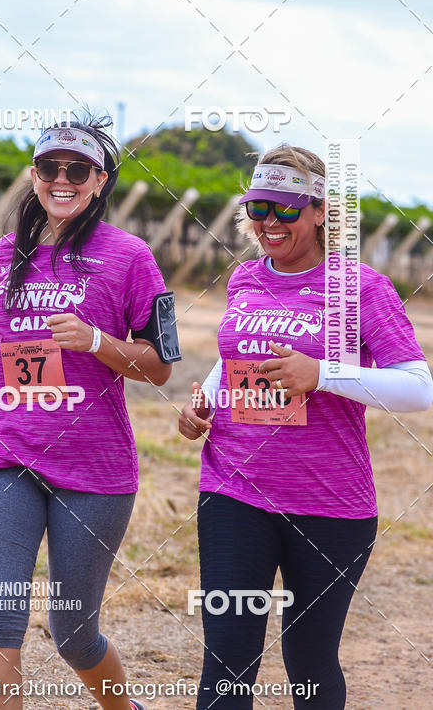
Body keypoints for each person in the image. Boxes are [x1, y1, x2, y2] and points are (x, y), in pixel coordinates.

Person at [179, 144, 433, 709]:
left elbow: (418, 387)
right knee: (226, 655)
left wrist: (322, 374)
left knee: (310, 660)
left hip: (330, 503)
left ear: (320, 211)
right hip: (233, 489)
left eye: (286, 210)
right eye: (259, 208)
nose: (269, 222)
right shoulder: (245, 278)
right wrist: (206, 399)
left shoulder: (361, 288)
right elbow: (236, 356)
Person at [0, 113, 178, 710]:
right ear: (35, 175)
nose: (62, 179)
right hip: (3, 448)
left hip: (94, 467)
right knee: (1, 616)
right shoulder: (6, 251)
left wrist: (97, 341)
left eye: (78, 169)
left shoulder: (130, 256)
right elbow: (20, 338)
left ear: (100, 181)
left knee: (74, 632)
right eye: (51, 167)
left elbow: (160, 364)